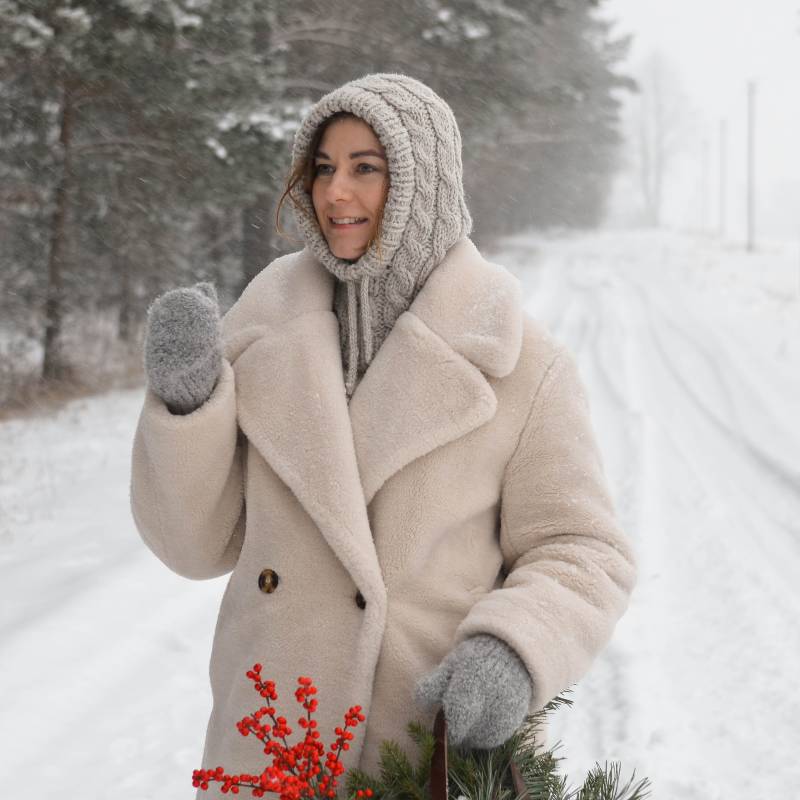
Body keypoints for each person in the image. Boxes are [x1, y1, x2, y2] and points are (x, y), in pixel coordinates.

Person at [130, 73, 637, 797]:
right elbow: (193, 546)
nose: (336, 193)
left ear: (422, 182)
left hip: (426, 749)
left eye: (366, 168)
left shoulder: (521, 362)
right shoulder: (260, 328)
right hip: (274, 743)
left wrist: (515, 646)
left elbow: (584, 549)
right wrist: (188, 408)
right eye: (325, 168)